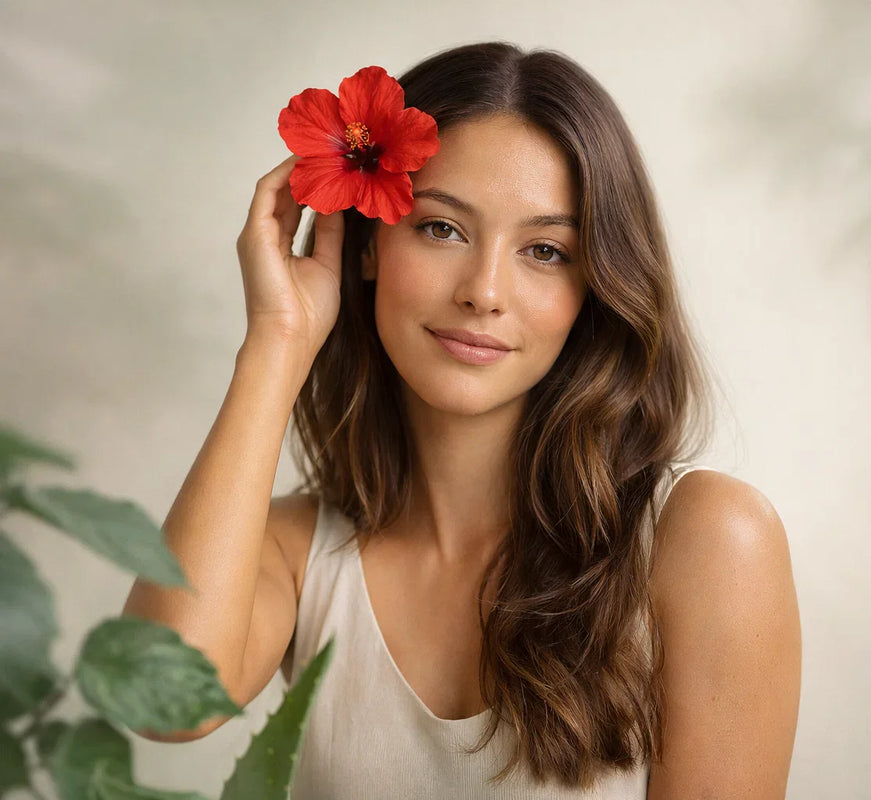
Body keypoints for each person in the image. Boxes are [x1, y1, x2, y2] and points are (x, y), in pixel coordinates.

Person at [123, 41, 802, 799]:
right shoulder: (296, 554)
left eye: (545, 251)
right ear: (372, 242)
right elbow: (159, 700)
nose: (484, 291)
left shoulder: (703, 541)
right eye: (441, 228)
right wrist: (277, 342)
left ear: (596, 286)